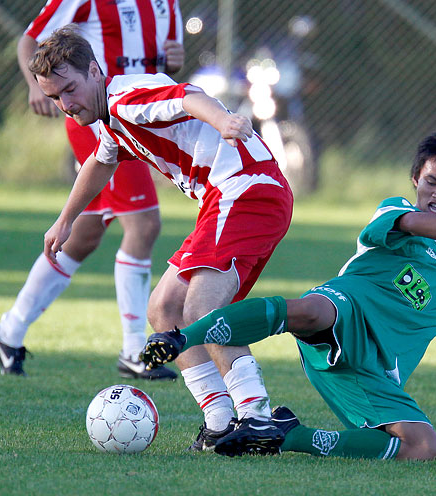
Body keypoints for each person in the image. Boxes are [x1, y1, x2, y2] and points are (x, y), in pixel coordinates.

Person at [141, 130, 436, 459]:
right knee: (313, 309)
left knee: (424, 448)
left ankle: (284, 435)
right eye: (431, 182)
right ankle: (184, 337)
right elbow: (415, 222)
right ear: (414, 180)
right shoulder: (397, 213)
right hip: (343, 312)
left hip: (373, 372)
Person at [30, 27, 294, 456]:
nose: (66, 104)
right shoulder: (111, 119)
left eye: (70, 89)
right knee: (164, 309)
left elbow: (187, 96)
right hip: (226, 198)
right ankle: (220, 421)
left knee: (202, 309)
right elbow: (100, 161)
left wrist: (223, 120)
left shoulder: (126, 100)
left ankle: (258, 418)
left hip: (247, 189)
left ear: (95, 71)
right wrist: (65, 221)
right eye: (56, 97)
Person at [0, 0, 185, 381]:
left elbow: (161, 66)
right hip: (100, 121)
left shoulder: (166, 3)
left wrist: (175, 58)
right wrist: (36, 88)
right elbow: (29, 41)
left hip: (138, 119)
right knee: (143, 226)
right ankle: (134, 349)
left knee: (86, 233)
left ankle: (8, 333)